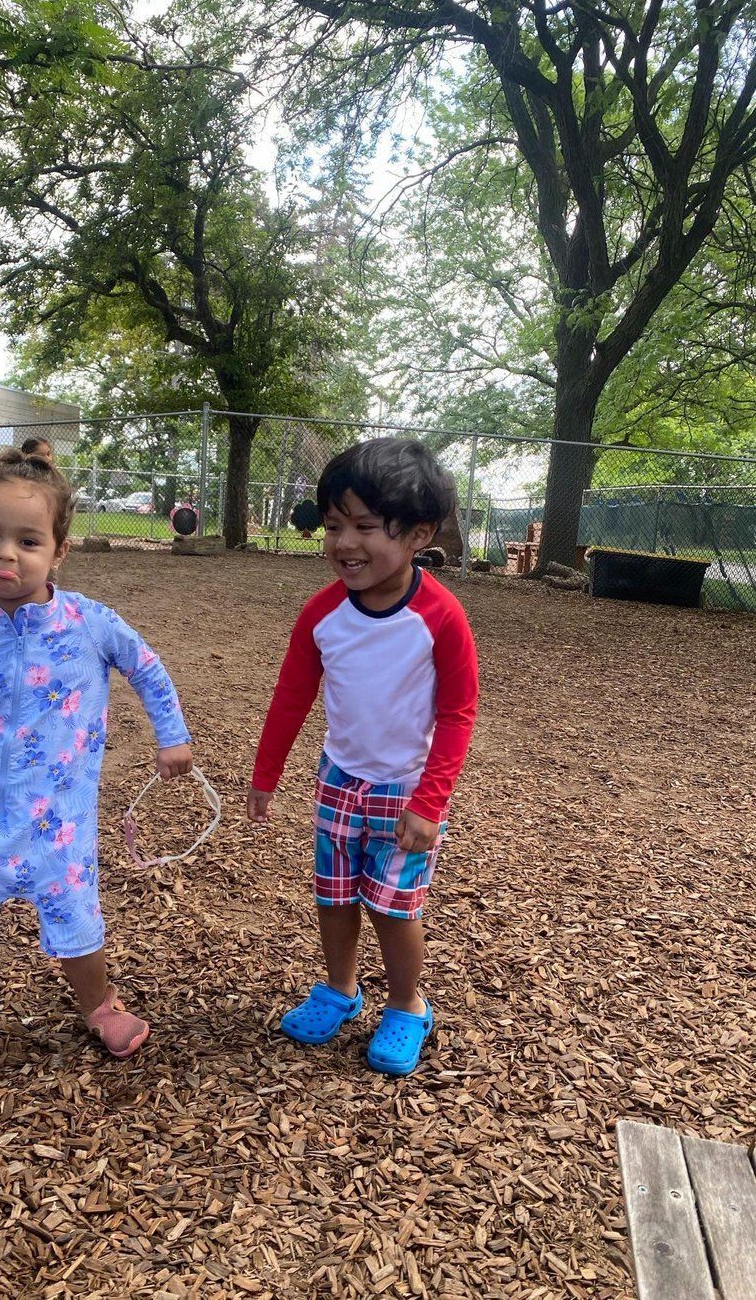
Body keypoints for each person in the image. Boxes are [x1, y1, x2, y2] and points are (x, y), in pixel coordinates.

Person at [0, 449, 192, 1086]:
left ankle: (99, 1007)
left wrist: (172, 737)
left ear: (59, 551)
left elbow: (148, 668)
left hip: (63, 818)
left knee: (76, 913)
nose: (6, 555)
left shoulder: (89, 623)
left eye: (27, 541)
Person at [247, 438, 478, 1076]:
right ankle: (341, 990)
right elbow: (292, 696)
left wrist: (431, 803)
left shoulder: (440, 617)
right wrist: (266, 776)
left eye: (365, 527)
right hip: (340, 780)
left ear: (417, 534)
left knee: (395, 907)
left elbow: (459, 713)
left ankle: (407, 1004)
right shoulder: (322, 613)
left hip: (407, 790)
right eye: (333, 526)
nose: (344, 543)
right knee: (335, 896)